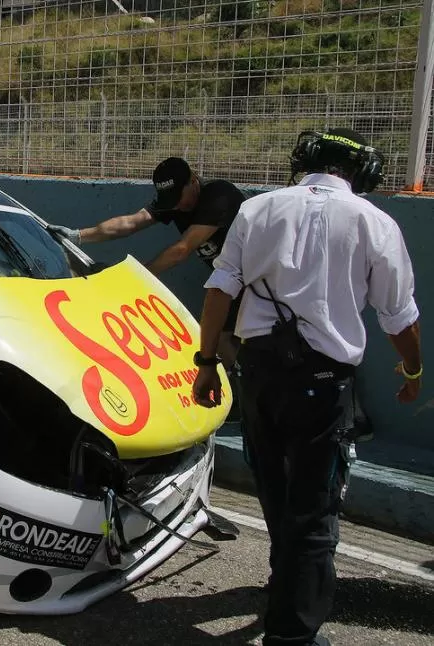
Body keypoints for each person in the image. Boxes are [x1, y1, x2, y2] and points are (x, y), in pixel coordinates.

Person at [191, 127, 422, 646]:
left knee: (274, 487)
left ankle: (284, 582)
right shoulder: (374, 222)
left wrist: (207, 363)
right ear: (360, 174)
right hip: (322, 383)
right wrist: (412, 370)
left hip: (259, 374)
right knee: (315, 509)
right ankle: (293, 636)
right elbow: (399, 317)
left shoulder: (257, 210)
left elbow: (218, 292)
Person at [50, 157, 246, 368]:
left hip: (261, 274)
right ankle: (240, 387)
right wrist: (78, 235)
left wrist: (134, 276)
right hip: (230, 280)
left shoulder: (218, 196)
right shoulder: (173, 202)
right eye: (170, 200)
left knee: (238, 342)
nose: (177, 205)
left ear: (193, 181)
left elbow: (182, 250)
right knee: (222, 342)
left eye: (179, 197)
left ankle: (248, 388)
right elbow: (130, 223)